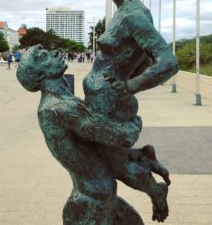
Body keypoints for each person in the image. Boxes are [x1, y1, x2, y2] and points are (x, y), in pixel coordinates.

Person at [17, 46, 170, 224]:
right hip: (94, 200)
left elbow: (97, 141)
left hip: (98, 194)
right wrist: (136, 121)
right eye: (44, 56)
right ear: (39, 75)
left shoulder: (64, 101)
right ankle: (155, 189)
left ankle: (152, 183)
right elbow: (122, 137)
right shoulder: (60, 108)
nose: (56, 53)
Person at [82, 0, 178, 222]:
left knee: (118, 168)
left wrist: (129, 86)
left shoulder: (134, 15)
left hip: (110, 105)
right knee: (98, 159)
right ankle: (141, 158)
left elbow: (167, 62)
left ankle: (155, 191)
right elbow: (142, 59)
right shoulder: (122, 12)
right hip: (102, 101)